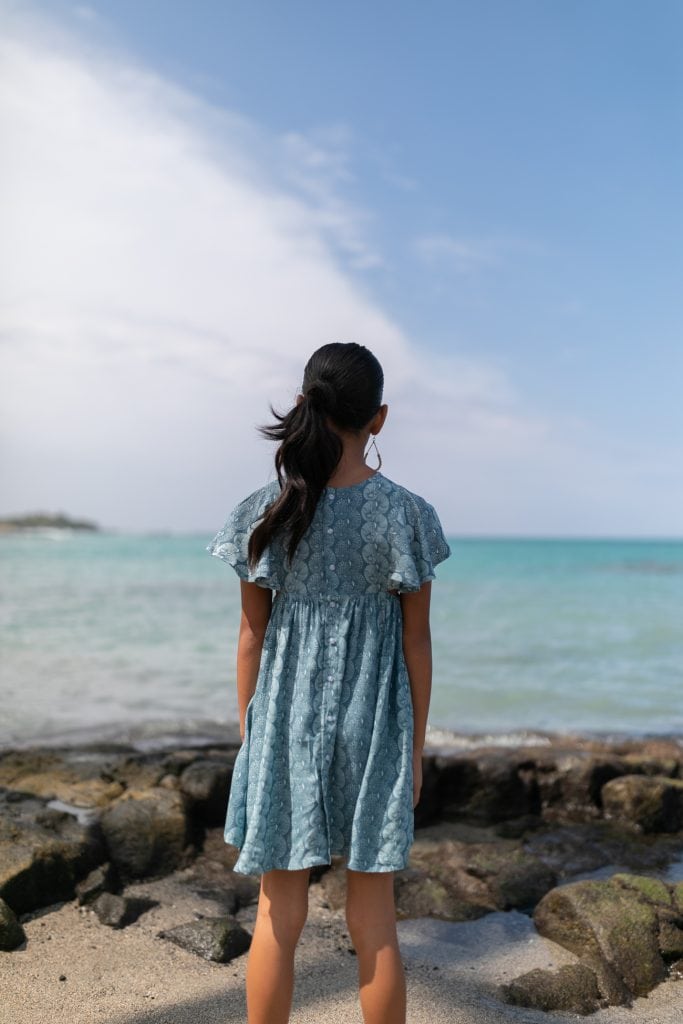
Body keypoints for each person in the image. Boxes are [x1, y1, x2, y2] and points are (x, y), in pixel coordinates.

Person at [206, 341, 451, 1024]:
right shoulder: (405, 514)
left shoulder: (266, 510)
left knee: (277, 913)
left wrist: (250, 736)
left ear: (307, 405)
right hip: (374, 721)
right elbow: (415, 641)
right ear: (379, 417)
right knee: (373, 919)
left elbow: (252, 637)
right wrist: (415, 747)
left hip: (284, 720)